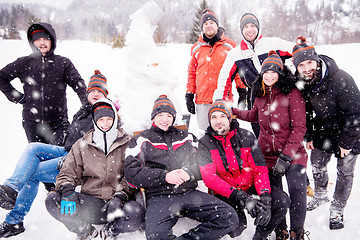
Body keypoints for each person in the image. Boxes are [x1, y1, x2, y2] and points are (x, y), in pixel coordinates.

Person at [0, 70, 108, 238]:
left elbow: (100, 149)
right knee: (33, 148)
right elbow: (72, 138)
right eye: (92, 90)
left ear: (105, 94)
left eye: (99, 91)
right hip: (67, 151)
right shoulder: (83, 112)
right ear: (86, 93)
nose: (95, 93)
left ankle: (14, 220)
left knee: (32, 173)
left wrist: (69, 159)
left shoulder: (106, 115)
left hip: (79, 164)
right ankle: (11, 187)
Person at [124, 95, 238, 240]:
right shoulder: (141, 140)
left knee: (229, 217)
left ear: (173, 117)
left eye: (168, 115)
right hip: (160, 197)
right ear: (153, 117)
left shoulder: (187, 137)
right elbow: (131, 174)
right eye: (160, 115)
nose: (165, 119)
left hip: (188, 193)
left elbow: (206, 164)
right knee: (155, 236)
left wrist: (189, 173)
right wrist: (164, 176)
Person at [232, 51, 308, 239]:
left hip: (294, 153)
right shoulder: (260, 94)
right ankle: (280, 229)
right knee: (275, 193)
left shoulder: (292, 93)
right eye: (266, 71)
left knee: (296, 188)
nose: (270, 75)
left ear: (281, 74)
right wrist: (232, 111)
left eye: (274, 72)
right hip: (267, 153)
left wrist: (286, 156)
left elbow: (299, 128)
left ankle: (296, 232)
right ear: (262, 74)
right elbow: (253, 116)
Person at [45, 98, 145, 240]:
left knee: (137, 213)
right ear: (95, 120)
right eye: (101, 119)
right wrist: (67, 190)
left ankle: (110, 231)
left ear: (115, 119)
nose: (105, 123)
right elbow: (68, 172)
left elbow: (131, 174)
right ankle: (85, 231)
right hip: (90, 203)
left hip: (117, 204)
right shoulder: (81, 144)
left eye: (109, 119)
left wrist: (120, 195)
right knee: (53, 200)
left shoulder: (128, 142)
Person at [292, 36, 360, 230]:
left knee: (345, 171)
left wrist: (347, 143)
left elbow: (356, 114)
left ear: (317, 60)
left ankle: (337, 209)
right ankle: (321, 196)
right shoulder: (302, 81)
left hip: (350, 130)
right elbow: (305, 110)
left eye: (310, 62)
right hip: (325, 128)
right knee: (317, 164)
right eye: (301, 65)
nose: (306, 68)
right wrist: (310, 135)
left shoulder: (340, 79)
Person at [197, 99, 290, 240]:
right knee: (236, 228)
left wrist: (265, 197)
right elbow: (210, 178)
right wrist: (239, 196)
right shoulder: (205, 143)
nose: (218, 121)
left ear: (229, 118)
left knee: (281, 201)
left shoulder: (246, 137)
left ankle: (261, 236)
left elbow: (259, 169)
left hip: (249, 186)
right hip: (227, 193)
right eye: (213, 117)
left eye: (222, 116)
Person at [0, 22, 87, 145]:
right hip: (32, 123)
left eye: (46, 39)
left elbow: (77, 83)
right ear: (32, 42)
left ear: (52, 41)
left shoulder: (63, 63)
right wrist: (17, 97)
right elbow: (1, 77)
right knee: (38, 157)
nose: (42, 43)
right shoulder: (23, 63)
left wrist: (86, 102)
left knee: (60, 157)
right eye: (38, 39)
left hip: (58, 122)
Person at [213, 13, 293, 137]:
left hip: (279, 95)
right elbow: (224, 80)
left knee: (285, 135)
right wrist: (219, 102)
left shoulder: (273, 43)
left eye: (252, 26)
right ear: (241, 30)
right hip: (256, 98)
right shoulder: (235, 54)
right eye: (245, 27)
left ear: (258, 27)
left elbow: (299, 52)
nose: (249, 30)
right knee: (262, 137)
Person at [185, 8, 245, 138]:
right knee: (204, 136)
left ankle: (227, 158)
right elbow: (191, 74)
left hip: (224, 99)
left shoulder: (230, 45)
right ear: (202, 27)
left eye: (211, 22)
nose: (209, 26)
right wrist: (189, 94)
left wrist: (242, 90)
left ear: (217, 25)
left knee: (226, 135)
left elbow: (239, 70)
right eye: (205, 24)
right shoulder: (196, 48)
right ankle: (206, 159)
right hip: (202, 100)